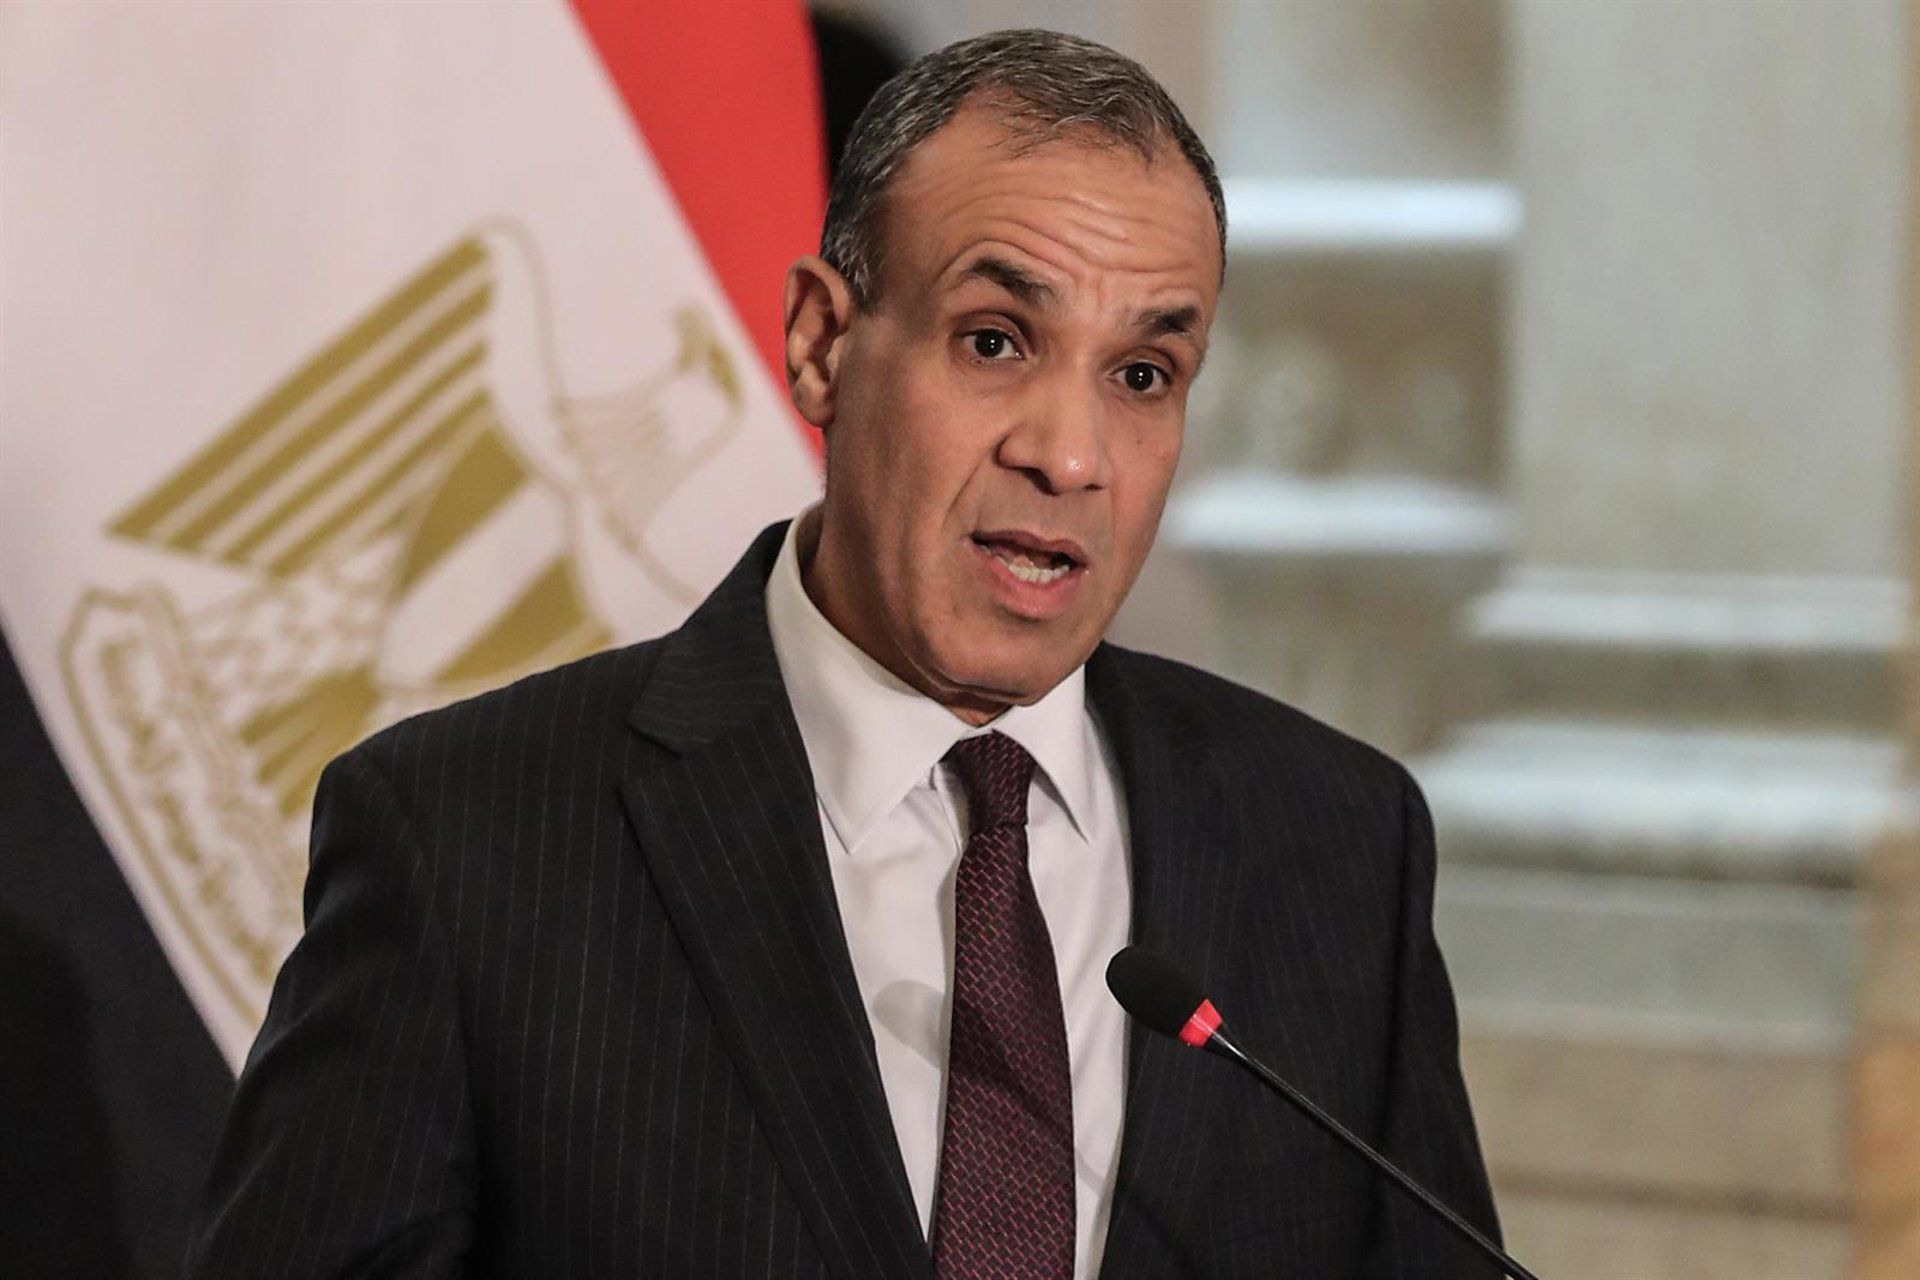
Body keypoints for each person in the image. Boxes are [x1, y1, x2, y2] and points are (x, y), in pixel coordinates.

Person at [185, 28, 1500, 1280]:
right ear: (822, 345)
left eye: (1143, 374)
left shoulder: (1336, 841)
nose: (1072, 455)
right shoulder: (468, 837)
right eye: (995, 342)